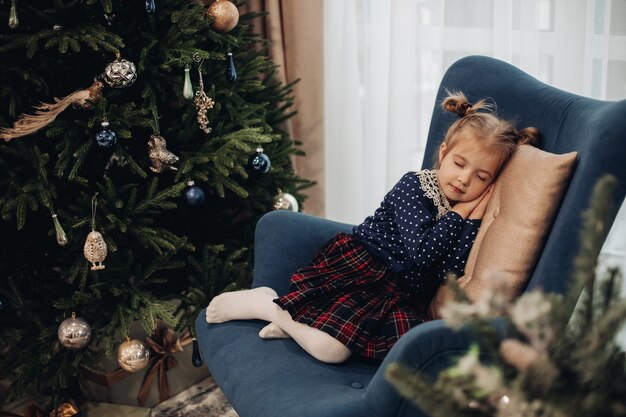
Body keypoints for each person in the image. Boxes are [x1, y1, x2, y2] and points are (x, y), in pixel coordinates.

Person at [206, 91, 540, 363]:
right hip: (365, 270)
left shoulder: (463, 213)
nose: (465, 180)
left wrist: (474, 216)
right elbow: (423, 254)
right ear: (443, 153)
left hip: (402, 295)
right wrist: (465, 210)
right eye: (459, 164)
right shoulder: (415, 187)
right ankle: (269, 306)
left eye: (482, 177)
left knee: (408, 350)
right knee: (332, 351)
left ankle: (296, 324)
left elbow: (451, 268)